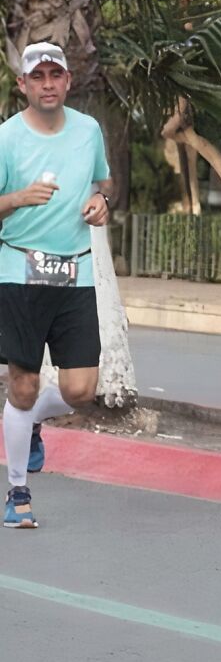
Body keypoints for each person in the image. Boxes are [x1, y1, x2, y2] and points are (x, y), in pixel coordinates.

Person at [0, 42, 111, 528]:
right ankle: (18, 492)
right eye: (37, 76)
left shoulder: (88, 131)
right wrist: (19, 198)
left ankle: (34, 420)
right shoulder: (6, 138)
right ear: (22, 84)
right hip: (18, 270)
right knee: (22, 386)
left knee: (81, 390)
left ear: (68, 81)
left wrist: (101, 202)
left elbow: (104, 184)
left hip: (76, 271)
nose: (48, 83)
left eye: (56, 75)